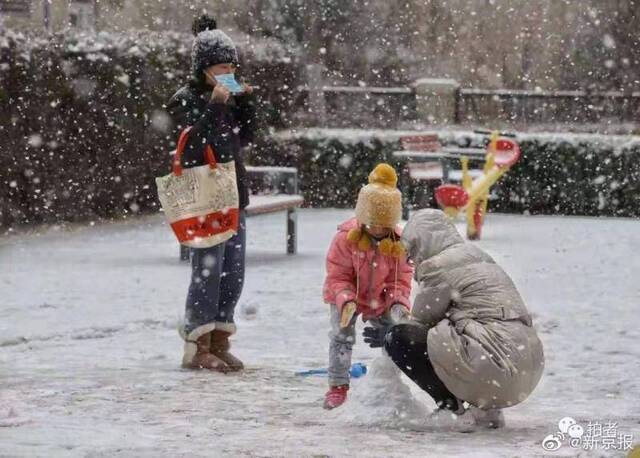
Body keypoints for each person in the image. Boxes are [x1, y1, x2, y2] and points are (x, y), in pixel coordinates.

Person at [363, 209, 545, 431]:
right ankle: (487, 410)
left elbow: (420, 323)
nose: (411, 259)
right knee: (465, 332)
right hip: (528, 368)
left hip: (493, 369)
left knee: (400, 339)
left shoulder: (437, 266)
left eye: (412, 251)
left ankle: (451, 409)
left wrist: (389, 332)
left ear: (422, 242)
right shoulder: (478, 256)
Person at [166, 14, 255, 372]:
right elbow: (192, 146)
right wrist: (215, 105)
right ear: (204, 69)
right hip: (204, 198)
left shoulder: (229, 97)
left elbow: (242, 139)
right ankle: (197, 342)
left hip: (233, 194)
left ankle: (220, 339)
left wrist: (245, 103)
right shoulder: (185, 99)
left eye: (231, 67)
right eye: (221, 66)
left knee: (233, 272)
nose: (227, 72)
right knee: (207, 270)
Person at [322, 163, 413, 409]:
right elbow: (337, 275)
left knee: (395, 333)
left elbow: (400, 279)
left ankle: (389, 380)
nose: (378, 229)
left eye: (384, 224)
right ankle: (338, 385)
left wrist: (397, 303)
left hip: (381, 298)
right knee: (341, 336)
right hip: (348, 297)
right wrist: (345, 298)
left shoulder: (398, 245)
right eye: (372, 222)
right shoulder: (346, 238)